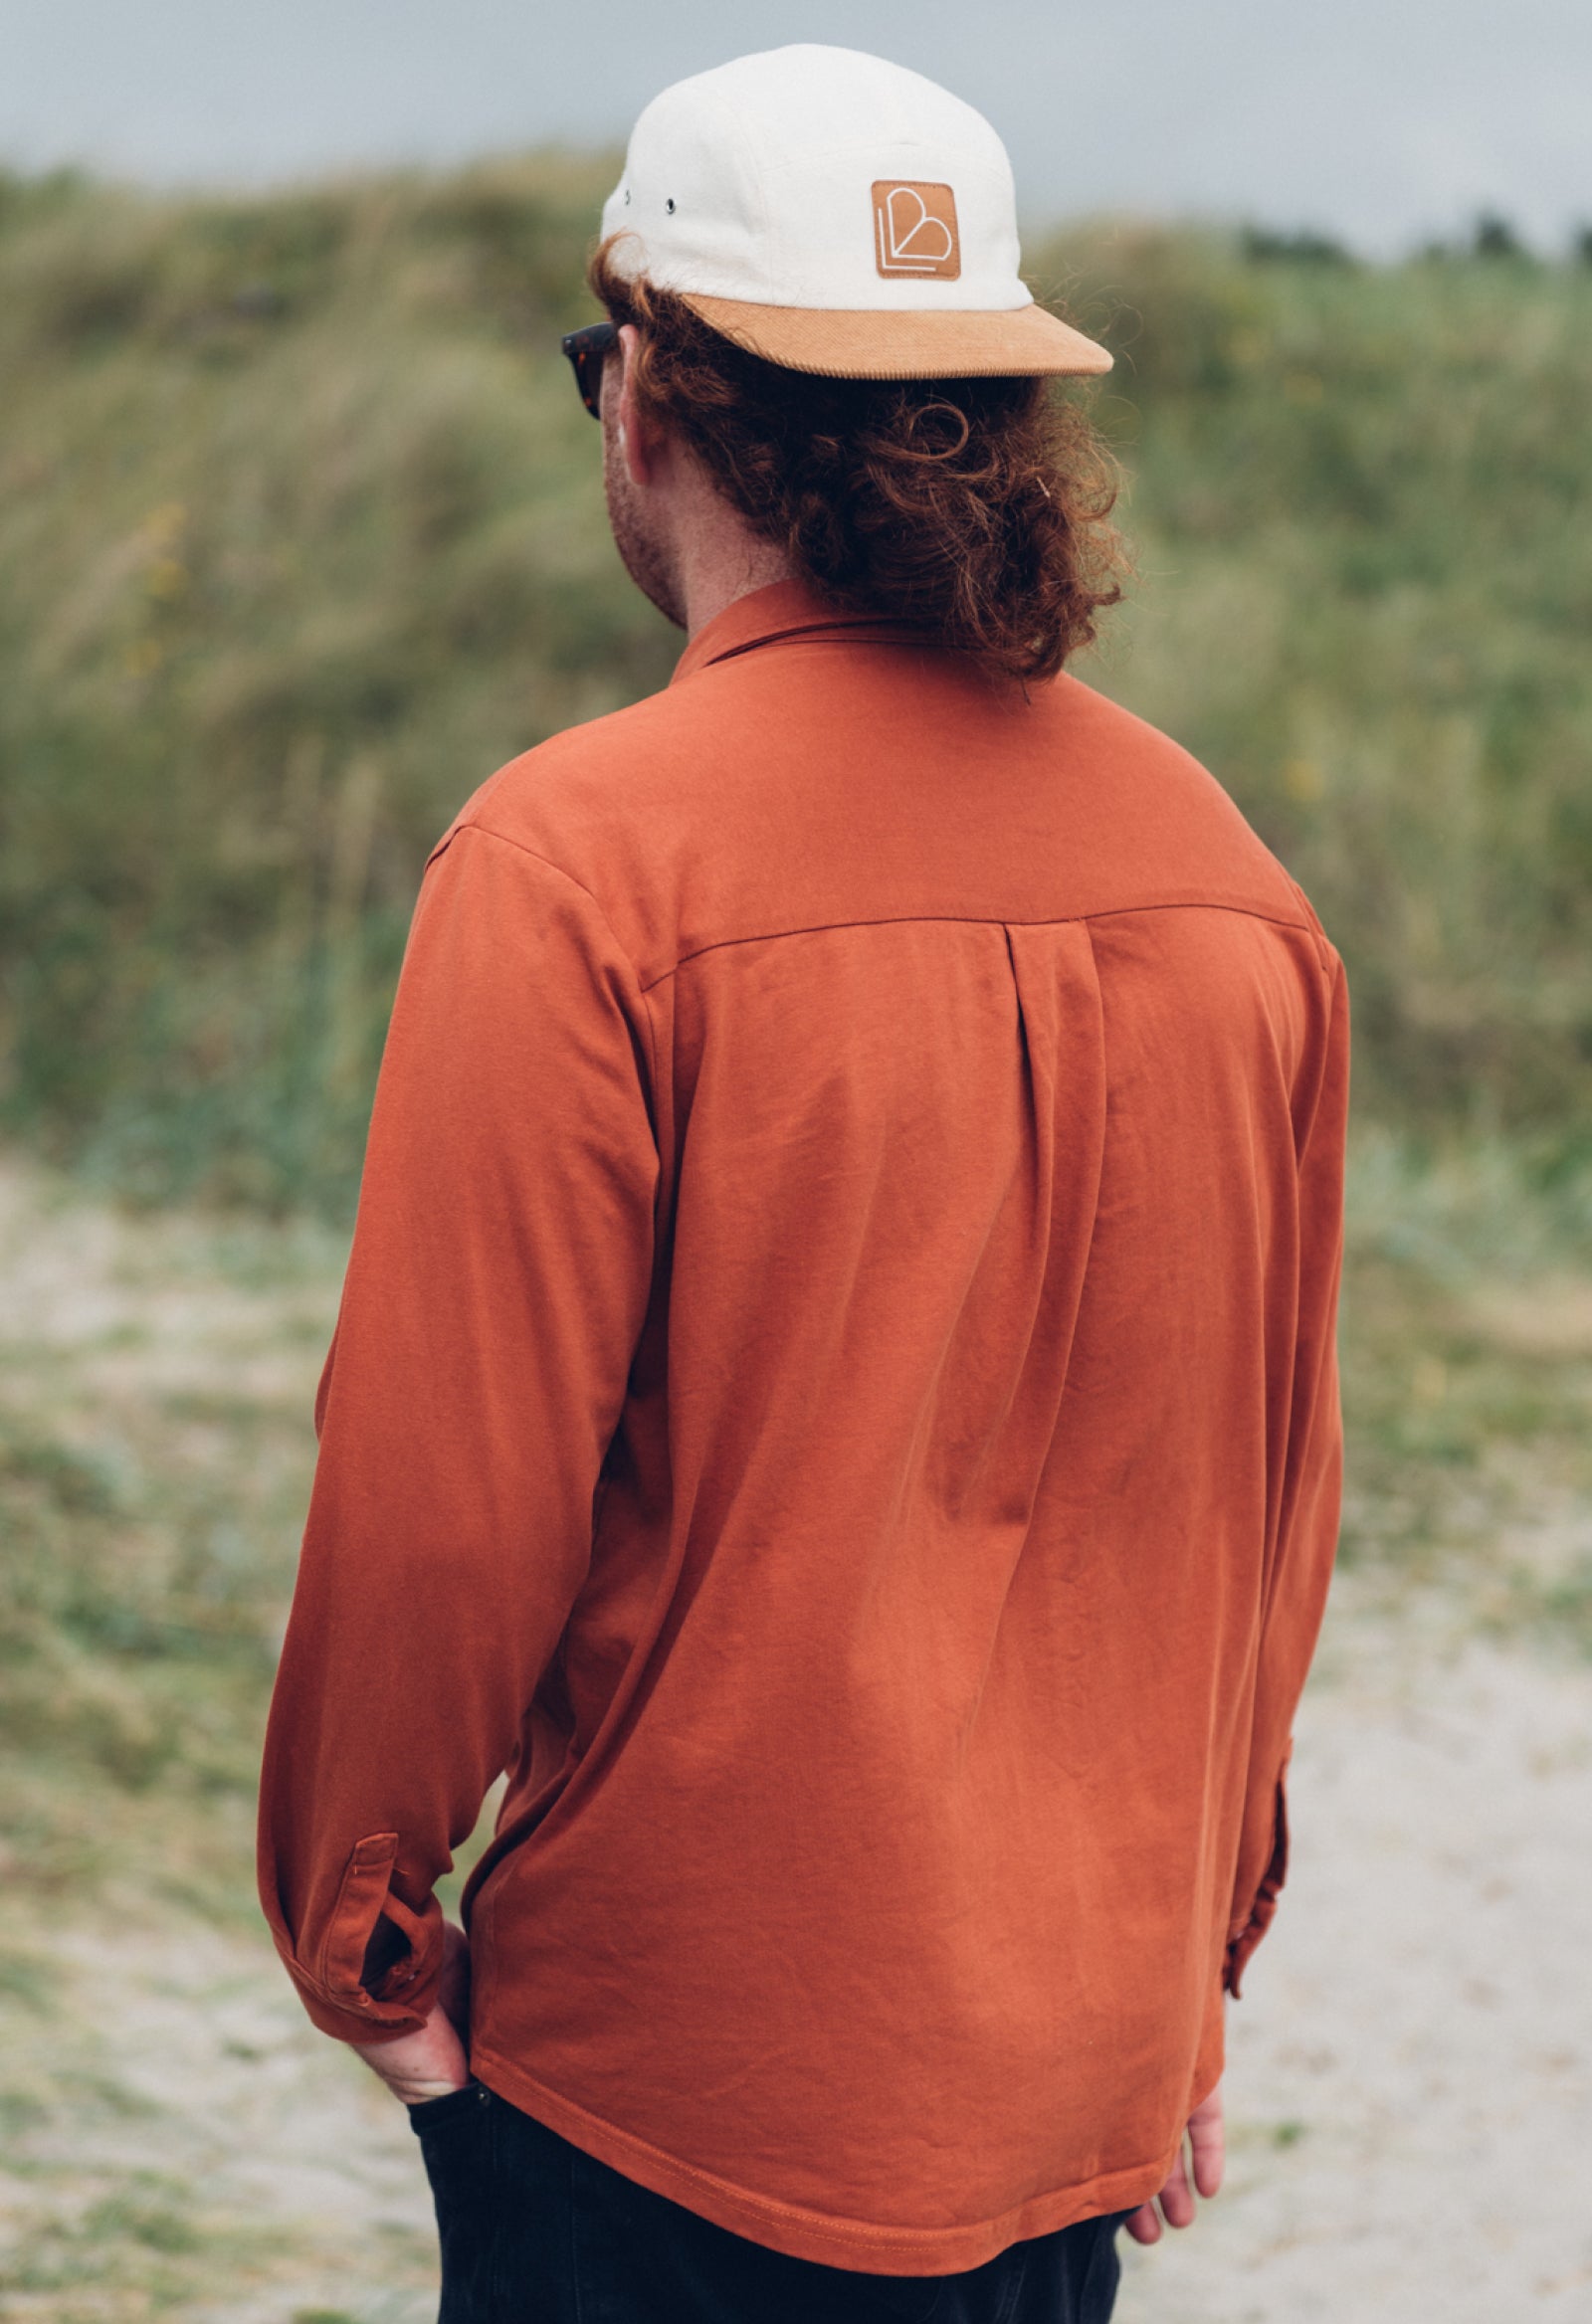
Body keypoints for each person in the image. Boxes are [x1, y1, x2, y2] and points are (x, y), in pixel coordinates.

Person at [258, 44, 1347, 2324]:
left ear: (649, 393)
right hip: (1070, 2084)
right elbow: (1264, 1508)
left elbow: (448, 1499)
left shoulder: (576, 860)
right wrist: (1177, 1976)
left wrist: (364, 1925)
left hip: (679, 2099)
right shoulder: (1231, 883)